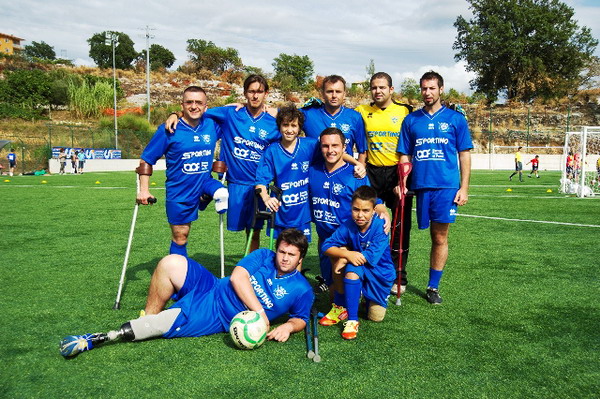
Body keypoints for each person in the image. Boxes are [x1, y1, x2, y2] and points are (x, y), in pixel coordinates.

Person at [59, 229, 315, 358]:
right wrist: (259, 311)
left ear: (300, 258)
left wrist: (289, 328)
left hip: (217, 315)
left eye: (291, 255)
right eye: (282, 251)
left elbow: (301, 317)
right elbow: (237, 277)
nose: (283, 258)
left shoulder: (302, 289)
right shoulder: (263, 255)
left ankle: (101, 337)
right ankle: (148, 315)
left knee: (166, 323)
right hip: (214, 286)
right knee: (170, 262)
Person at [166, 75, 280, 253]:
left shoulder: (273, 122)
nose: (255, 96)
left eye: (259, 92)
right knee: (234, 221)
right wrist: (175, 114)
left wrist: (277, 112)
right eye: (251, 91)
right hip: (234, 183)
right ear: (245, 93)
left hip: (258, 185)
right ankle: (204, 197)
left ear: (266, 93)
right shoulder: (231, 113)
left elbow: (289, 132)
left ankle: (248, 271)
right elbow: (197, 110)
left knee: (254, 232)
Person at [396, 71, 473, 305]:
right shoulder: (411, 120)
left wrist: (464, 187)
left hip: (446, 186)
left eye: (431, 88)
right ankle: (396, 278)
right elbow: (404, 154)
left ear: (441, 89)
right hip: (420, 186)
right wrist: (402, 182)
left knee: (439, 237)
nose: (427, 93)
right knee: (406, 233)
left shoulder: (455, 119)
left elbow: (464, 154)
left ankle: (433, 286)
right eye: (423, 88)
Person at [309, 128, 390, 325]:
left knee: (375, 316)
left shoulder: (355, 174)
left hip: (354, 241)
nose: (330, 150)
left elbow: (371, 199)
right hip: (329, 241)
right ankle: (349, 297)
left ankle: (365, 291)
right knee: (334, 300)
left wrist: (383, 209)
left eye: (335, 145)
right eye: (326, 146)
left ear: (344, 147)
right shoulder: (313, 171)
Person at [137, 86, 228, 257]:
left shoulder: (211, 125)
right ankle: (176, 275)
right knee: (180, 237)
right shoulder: (169, 129)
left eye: (199, 103)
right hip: (180, 191)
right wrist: (144, 190)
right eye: (189, 102)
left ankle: (203, 199)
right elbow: (146, 160)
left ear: (206, 107)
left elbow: (233, 116)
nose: (194, 106)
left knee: (223, 193)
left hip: (204, 183)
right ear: (182, 105)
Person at [356, 72, 414, 296]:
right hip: (371, 173)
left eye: (382, 87)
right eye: (374, 87)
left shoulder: (404, 111)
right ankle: (368, 270)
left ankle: (399, 274)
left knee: (401, 227)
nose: (377, 91)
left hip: (398, 173)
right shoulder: (362, 112)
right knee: (366, 223)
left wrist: (405, 177)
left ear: (391, 90)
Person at [321, 186, 395, 339]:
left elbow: (370, 257)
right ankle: (348, 315)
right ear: (351, 207)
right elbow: (326, 246)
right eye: (356, 209)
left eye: (365, 210)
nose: (360, 215)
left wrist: (347, 257)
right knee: (346, 262)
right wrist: (345, 254)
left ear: (374, 210)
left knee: (375, 317)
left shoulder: (381, 226)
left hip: (380, 273)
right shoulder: (349, 225)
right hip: (357, 267)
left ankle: (364, 297)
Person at [255, 104, 319, 241]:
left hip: (302, 213)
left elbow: (333, 151)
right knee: (281, 254)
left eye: (293, 125)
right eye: (285, 125)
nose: (289, 130)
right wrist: (266, 197)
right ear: (279, 126)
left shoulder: (310, 145)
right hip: (280, 213)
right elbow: (260, 182)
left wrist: (356, 164)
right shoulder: (272, 151)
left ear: (300, 128)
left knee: (299, 253)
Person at [301, 75, 368, 164]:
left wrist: (360, 168)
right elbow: (282, 117)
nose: (334, 95)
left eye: (338, 91)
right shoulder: (308, 114)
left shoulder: (355, 117)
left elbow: (362, 151)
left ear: (344, 94)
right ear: (322, 93)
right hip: (316, 172)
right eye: (329, 91)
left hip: (344, 173)